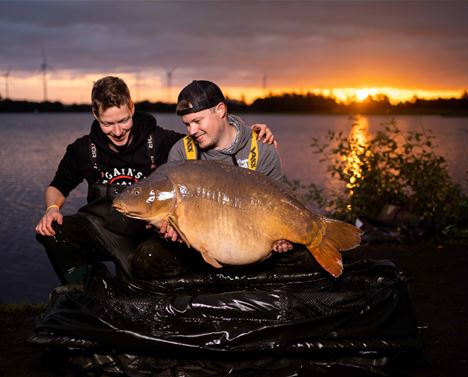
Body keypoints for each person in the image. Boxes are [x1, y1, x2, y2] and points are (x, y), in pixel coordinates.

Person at [35, 76, 276, 285]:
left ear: (132, 107)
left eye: (124, 120)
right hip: (101, 229)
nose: (118, 131)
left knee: (149, 260)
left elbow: (209, 142)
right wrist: (52, 208)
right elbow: (57, 186)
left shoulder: (161, 141)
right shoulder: (82, 150)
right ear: (95, 115)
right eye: (108, 124)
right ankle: (83, 294)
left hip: (144, 235)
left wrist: (248, 135)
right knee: (54, 233)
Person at [143, 80, 294, 277]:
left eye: (197, 121)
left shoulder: (262, 150)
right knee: (147, 256)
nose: (191, 131)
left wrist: (284, 237)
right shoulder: (182, 152)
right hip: (198, 255)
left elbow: (279, 208)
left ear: (220, 110)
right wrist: (169, 231)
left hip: (253, 250)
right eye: (187, 124)